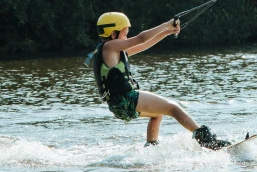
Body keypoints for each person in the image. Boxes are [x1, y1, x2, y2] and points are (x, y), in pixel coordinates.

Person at [86, 11, 231, 149]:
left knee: (158, 113)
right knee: (173, 107)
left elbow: (143, 45)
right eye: (125, 34)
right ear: (113, 34)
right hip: (126, 99)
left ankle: (151, 147)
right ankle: (207, 141)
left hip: (118, 104)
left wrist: (167, 32)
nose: (127, 38)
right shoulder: (110, 46)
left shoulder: (111, 51)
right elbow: (141, 38)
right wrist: (167, 24)